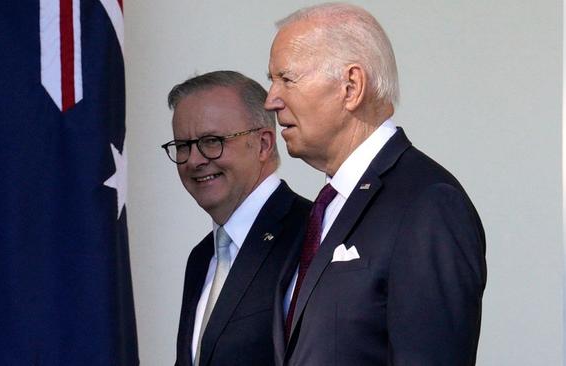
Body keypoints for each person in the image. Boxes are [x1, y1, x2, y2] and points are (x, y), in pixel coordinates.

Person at [264, 4, 487, 365]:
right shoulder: (324, 209)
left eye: (286, 79)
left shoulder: (427, 204)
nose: (271, 99)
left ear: (351, 87)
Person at [164, 70, 311, 366]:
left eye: (211, 141)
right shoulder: (202, 257)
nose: (194, 160)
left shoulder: (311, 235)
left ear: (264, 144)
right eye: (183, 146)